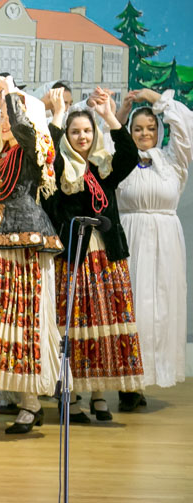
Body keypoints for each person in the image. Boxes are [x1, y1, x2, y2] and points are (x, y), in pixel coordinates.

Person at [45, 87, 144, 422]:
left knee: (105, 321)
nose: (82, 137)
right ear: (67, 136)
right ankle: (70, 397)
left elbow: (129, 154)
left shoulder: (105, 167)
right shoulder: (60, 167)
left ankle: (99, 393)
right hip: (75, 254)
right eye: (75, 132)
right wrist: (58, 116)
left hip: (107, 254)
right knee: (74, 324)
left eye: (87, 130)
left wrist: (109, 116)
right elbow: (48, 151)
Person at [0, 82, 64, 433]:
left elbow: (25, 128)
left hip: (25, 244)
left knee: (25, 319)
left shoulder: (33, 146)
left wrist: (10, 92)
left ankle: (30, 402)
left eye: (11, 115)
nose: (6, 121)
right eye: (2, 116)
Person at [115, 88, 191, 407]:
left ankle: (150, 374)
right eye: (137, 128)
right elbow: (103, 139)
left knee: (160, 309)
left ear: (159, 130)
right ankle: (128, 382)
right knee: (133, 309)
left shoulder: (173, 162)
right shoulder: (120, 161)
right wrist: (121, 112)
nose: (144, 133)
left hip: (166, 243)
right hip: (130, 239)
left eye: (150, 128)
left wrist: (156, 98)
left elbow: (185, 127)